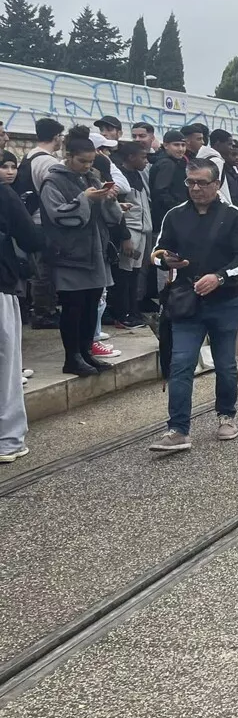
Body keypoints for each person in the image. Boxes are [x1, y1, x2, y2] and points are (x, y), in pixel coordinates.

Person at [148, 157, 238, 453]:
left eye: (202, 183)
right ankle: (178, 429)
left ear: (216, 185)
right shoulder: (174, 215)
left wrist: (220, 277)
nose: (195, 189)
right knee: (180, 363)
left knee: (225, 364)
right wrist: (165, 259)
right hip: (185, 301)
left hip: (224, 301)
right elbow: (158, 251)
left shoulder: (233, 215)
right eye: (190, 182)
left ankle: (226, 415)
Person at [39, 133, 124, 377]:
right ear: (68, 157)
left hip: (95, 252)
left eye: (90, 162)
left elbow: (110, 217)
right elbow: (58, 214)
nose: (87, 166)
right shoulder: (53, 181)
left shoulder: (92, 177)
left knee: (90, 305)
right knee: (73, 306)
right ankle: (72, 357)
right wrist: (84, 199)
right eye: (82, 161)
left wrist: (109, 200)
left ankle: (86, 352)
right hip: (70, 255)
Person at [0, 164, 44, 462]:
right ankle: (8, 441)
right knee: (6, 366)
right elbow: (30, 238)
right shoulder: (4, 194)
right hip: (1, 284)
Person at [13, 118, 65, 330]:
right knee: (44, 270)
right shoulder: (48, 162)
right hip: (42, 221)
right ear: (56, 137)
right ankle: (44, 312)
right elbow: (53, 193)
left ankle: (44, 309)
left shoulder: (30, 156)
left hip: (31, 218)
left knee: (41, 268)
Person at [107, 140, 152, 329]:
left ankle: (133, 310)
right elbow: (118, 211)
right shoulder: (121, 179)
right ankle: (121, 313)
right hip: (130, 231)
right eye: (142, 157)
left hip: (142, 230)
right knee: (123, 275)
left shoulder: (139, 175)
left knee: (135, 274)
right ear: (131, 157)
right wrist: (124, 236)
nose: (146, 161)